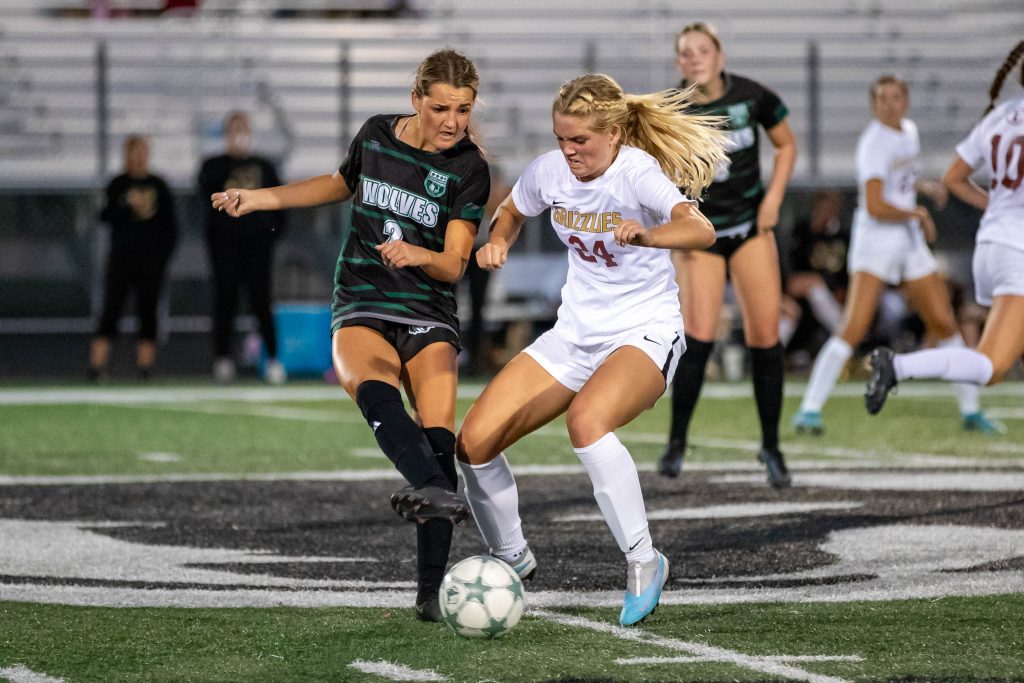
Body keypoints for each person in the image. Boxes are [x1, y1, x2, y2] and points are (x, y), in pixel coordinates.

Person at [211, 48, 490, 622]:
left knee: (438, 444)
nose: (452, 121)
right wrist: (260, 197)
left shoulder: (468, 167)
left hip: (428, 307)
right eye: (440, 107)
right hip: (362, 297)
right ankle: (436, 510)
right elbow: (339, 184)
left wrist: (419, 252)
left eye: (463, 109)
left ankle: (428, 597)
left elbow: (454, 264)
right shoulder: (375, 136)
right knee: (370, 387)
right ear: (416, 99)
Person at [456, 73, 727, 626]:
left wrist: (649, 235)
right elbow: (510, 210)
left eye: (580, 140)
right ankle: (512, 555)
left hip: (644, 331)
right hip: (574, 335)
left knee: (587, 423)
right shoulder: (550, 171)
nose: (568, 150)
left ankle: (644, 561)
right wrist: (499, 242)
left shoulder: (638, 173)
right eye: (561, 139)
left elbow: (701, 232)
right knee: (473, 444)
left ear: (613, 132)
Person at [792, 75, 1003, 436]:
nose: (890, 104)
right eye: (882, 99)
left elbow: (898, 179)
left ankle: (971, 411)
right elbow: (874, 205)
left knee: (944, 322)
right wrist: (917, 214)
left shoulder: (908, 130)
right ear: (873, 105)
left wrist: (921, 188)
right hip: (876, 241)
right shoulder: (873, 142)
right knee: (853, 328)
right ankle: (809, 410)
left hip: (906, 240)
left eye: (896, 97)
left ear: (906, 100)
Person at [658, 22, 798, 487]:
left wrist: (774, 199)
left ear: (719, 56)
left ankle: (771, 447)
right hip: (704, 233)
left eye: (703, 50)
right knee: (698, 337)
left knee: (765, 338)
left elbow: (786, 143)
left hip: (751, 226)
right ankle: (677, 442)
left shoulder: (751, 95)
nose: (694, 58)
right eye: (686, 53)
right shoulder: (671, 110)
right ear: (680, 62)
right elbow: (656, 173)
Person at [865, 42, 1024, 419]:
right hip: (1016, 250)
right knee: (990, 367)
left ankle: (900, 367)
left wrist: (999, 205)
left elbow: (953, 178)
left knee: (992, 367)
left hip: (993, 244)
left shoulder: (1000, 115)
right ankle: (898, 367)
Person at [199, 111, 287, 385]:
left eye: (243, 128)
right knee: (225, 299)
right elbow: (206, 199)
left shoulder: (265, 166)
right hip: (225, 247)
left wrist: (270, 234)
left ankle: (273, 359)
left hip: (258, 247)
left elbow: (278, 202)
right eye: (234, 128)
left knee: (261, 300)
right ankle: (223, 359)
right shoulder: (213, 166)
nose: (238, 133)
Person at [88, 135, 177, 381]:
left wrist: (163, 256)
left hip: (151, 259)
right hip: (122, 258)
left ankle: (145, 367)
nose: (139, 157)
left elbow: (169, 226)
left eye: (142, 151)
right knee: (111, 310)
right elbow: (106, 216)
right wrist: (127, 205)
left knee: (148, 311)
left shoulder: (158, 184)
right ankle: (97, 366)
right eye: (134, 151)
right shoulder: (118, 184)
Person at [779, 189, 847, 355]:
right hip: (803, 297)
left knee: (817, 290)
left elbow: (847, 274)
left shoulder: (844, 236)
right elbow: (792, 273)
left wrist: (842, 289)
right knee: (812, 293)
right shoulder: (802, 231)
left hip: (835, 296)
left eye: (830, 206)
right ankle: (845, 337)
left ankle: (846, 338)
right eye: (822, 206)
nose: (826, 211)